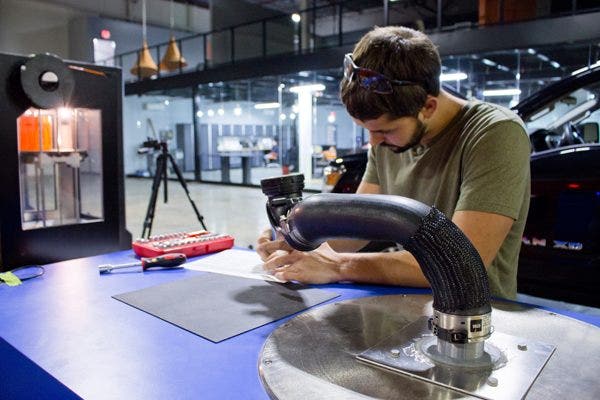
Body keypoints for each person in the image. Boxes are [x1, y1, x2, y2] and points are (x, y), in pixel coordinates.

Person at [256, 26, 530, 300]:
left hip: (471, 316)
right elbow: (356, 228)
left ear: (428, 107)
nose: (374, 143)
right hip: (403, 305)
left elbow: (461, 261)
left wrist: (339, 265)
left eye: (385, 131)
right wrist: (297, 244)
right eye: (367, 130)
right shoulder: (388, 140)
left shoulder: (494, 133)